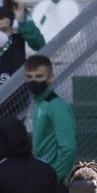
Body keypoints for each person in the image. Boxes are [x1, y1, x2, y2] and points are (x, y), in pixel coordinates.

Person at [27, 55, 77, 184]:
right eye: (30, 77)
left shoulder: (56, 105)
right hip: (38, 174)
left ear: (50, 78)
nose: (34, 81)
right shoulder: (38, 104)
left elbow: (68, 148)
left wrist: (53, 177)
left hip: (51, 179)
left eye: (39, 76)